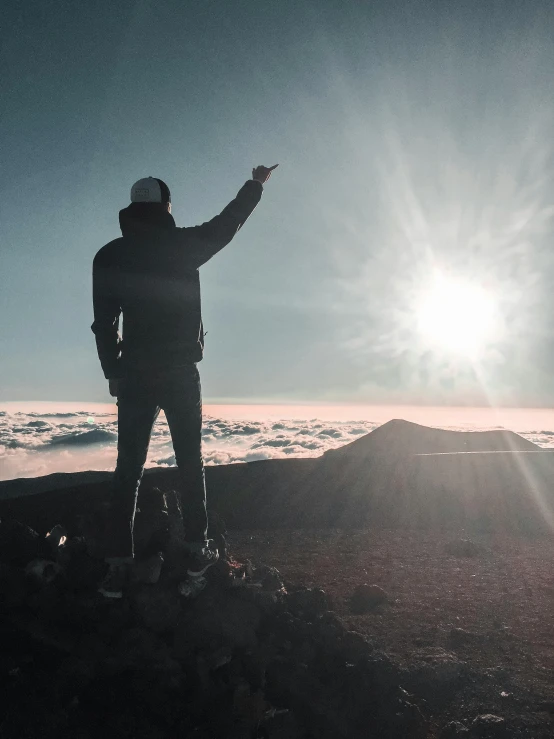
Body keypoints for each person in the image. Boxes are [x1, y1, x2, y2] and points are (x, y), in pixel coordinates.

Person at [91, 164, 278, 597]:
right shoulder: (184, 246)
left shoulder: (109, 255)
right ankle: (197, 552)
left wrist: (112, 371)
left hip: (134, 373)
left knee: (128, 469)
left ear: (132, 209)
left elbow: (104, 324)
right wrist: (254, 184)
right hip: (179, 372)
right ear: (166, 207)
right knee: (189, 462)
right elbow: (228, 223)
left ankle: (118, 567)